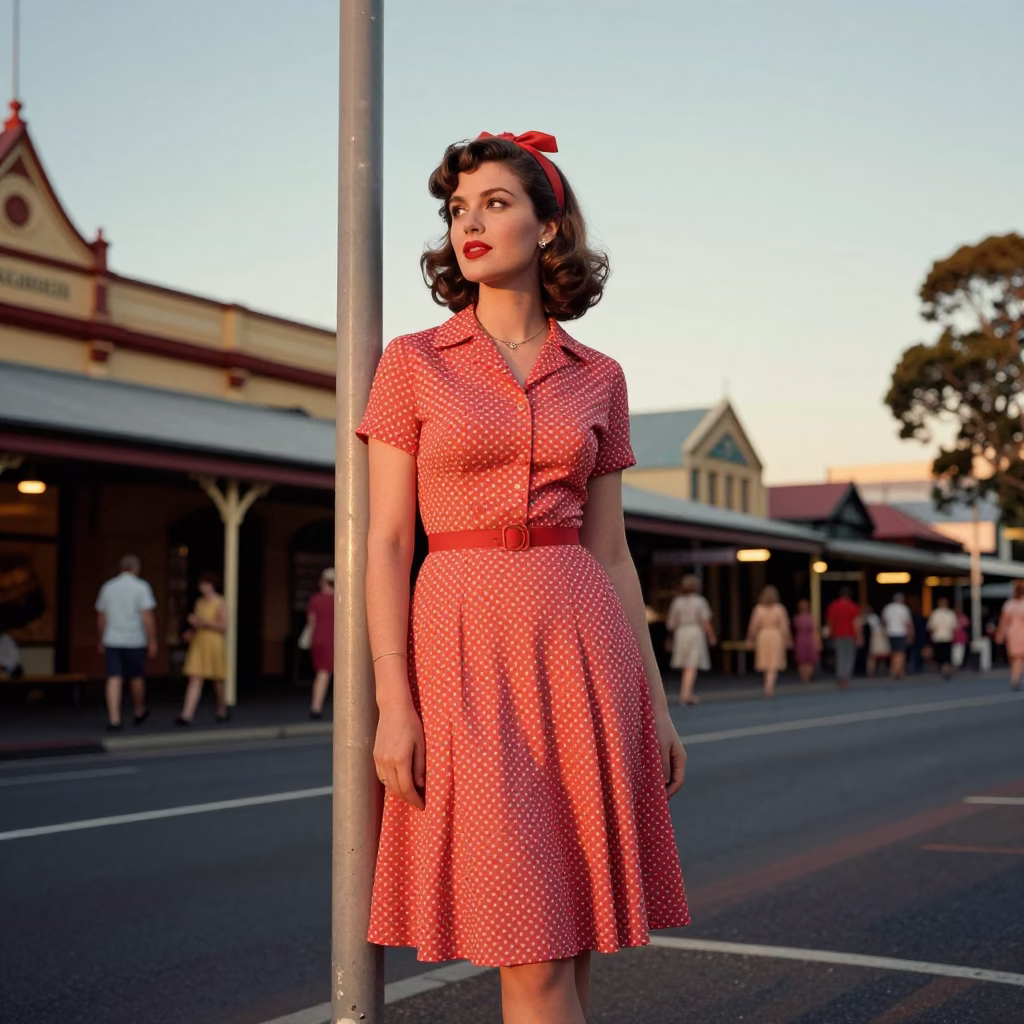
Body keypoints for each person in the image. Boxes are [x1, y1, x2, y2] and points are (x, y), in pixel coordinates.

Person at [355, 131, 690, 1022]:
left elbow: (613, 554)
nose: (470, 222)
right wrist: (395, 698)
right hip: (465, 652)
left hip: (584, 648)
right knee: (531, 949)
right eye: (458, 208)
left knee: (571, 946)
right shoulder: (412, 363)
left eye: (496, 203)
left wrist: (654, 705)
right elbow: (387, 541)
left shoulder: (601, 377)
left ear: (548, 230)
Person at [95, 554, 157, 730]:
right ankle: (139, 710)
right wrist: (152, 640)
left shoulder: (108, 587)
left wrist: (101, 639)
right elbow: (147, 617)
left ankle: (114, 719)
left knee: (114, 678)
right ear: (136, 569)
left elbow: (101, 616)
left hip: (112, 639)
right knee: (136, 677)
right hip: (135, 639)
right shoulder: (141, 587)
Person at [176, 572, 228, 725]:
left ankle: (222, 708)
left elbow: (224, 626)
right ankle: (187, 714)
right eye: (201, 584)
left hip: (214, 642)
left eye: (206, 584)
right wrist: (191, 632)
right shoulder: (199, 602)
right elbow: (198, 625)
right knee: (195, 676)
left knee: (217, 679)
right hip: (199, 642)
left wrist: (203, 622)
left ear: (212, 586)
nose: (203, 587)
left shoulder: (219, 602)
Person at [666, 574, 716, 705]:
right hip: (695, 632)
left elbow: (671, 623)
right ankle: (686, 693)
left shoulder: (677, 602)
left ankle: (685, 691)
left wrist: (671, 637)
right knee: (692, 664)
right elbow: (705, 621)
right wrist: (711, 636)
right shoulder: (700, 601)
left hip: (681, 633)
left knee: (685, 663)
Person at [746, 585, 791, 698]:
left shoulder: (758, 609)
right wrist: (788, 638)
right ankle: (769, 686)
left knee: (765, 661)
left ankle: (767, 683)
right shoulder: (779, 609)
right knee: (774, 662)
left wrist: (750, 638)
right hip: (775, 635)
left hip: (763, 635)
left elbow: (753, 626)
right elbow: (784, 626)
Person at [306, 567, 335, 718]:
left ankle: (316, 706)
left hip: (318, 637)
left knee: (321, 673)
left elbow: (311, 622)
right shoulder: (340, 599)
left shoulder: (315, 599)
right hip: (335, 638)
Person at [825, 587, 861, 688]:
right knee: (849, 656)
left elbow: (830, 621)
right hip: (850, 634)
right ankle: (846, 676)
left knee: (839, 655)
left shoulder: (833, 606)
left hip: (837, 634)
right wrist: (859, 636)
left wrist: (830, 632)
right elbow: (856, 623)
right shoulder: (853, 606)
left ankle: (840, 675)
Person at [995, 580, 1024, 690]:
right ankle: (1019, 679)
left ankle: (1015, 678)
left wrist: (1000, 633)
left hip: (1013, 632)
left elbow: (1004, 621)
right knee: (1021, 657)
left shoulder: (1010, 604)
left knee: (1015, 659)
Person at [881, 592, 914, 680]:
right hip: (901, 632)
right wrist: (911, 634)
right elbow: (908, 623)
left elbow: (884, 621)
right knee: (901, 653)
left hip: (890, 632)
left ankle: (893, 670)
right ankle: (898, 670)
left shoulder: (888, 608)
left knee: (894, 652)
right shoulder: (904, 609)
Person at [927, 596, 958, 679]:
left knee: (939, 653)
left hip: (937, 637)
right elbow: (954, 626)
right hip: (948, 636)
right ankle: (946, 667)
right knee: (947, 653)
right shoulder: (950, 613)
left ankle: (942, 667)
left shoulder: (935, 613)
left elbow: (931, 626)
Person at [792, 598, 819, 684]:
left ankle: (803, 677)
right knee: (810, 659)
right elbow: (815, 630)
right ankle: (807, 677)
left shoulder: (796, 618)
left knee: (801, 659)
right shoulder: (812, 618)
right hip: (810, 638)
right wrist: (818, 641)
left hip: (800, 638)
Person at [863, 606, 891, 677]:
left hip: (874, 637)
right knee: (874, 655)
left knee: (874, 655)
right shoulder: (871, 618)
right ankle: (871, 671)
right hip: (873, 637)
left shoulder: (872, 617)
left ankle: (872, 671)